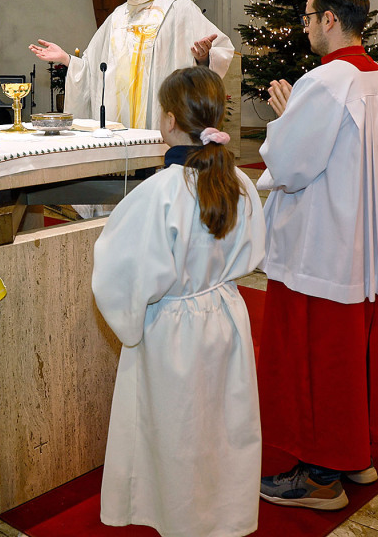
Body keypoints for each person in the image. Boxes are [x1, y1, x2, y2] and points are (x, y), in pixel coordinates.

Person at [255, 0, 378, 511]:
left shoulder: (325, 83)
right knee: (351, 356)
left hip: (323, 248)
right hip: (366, 249)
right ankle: (353, 454)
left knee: (317, 360)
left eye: (307, 17)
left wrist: (284, 121)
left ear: (329, 19)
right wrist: (294, 119)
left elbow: (290, 166)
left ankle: (321, 476)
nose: (304, 27)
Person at [92, 66, 265, 537]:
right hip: (225, 315)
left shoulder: (159, 192)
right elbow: (254, 250)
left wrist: (130, 320)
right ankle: (223, 517)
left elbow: (119, 273)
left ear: (169, 121)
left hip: (171, 328)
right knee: (221, 427)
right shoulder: (240, 182)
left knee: (176, 432)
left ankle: (179, 520)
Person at [30, 0, 235, 129]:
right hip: (118, 124)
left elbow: (222, 50)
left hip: (159, 122)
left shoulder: (179, 8)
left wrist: (203, 58)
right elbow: (93, 68)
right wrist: (66, 59)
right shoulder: (118, 16)